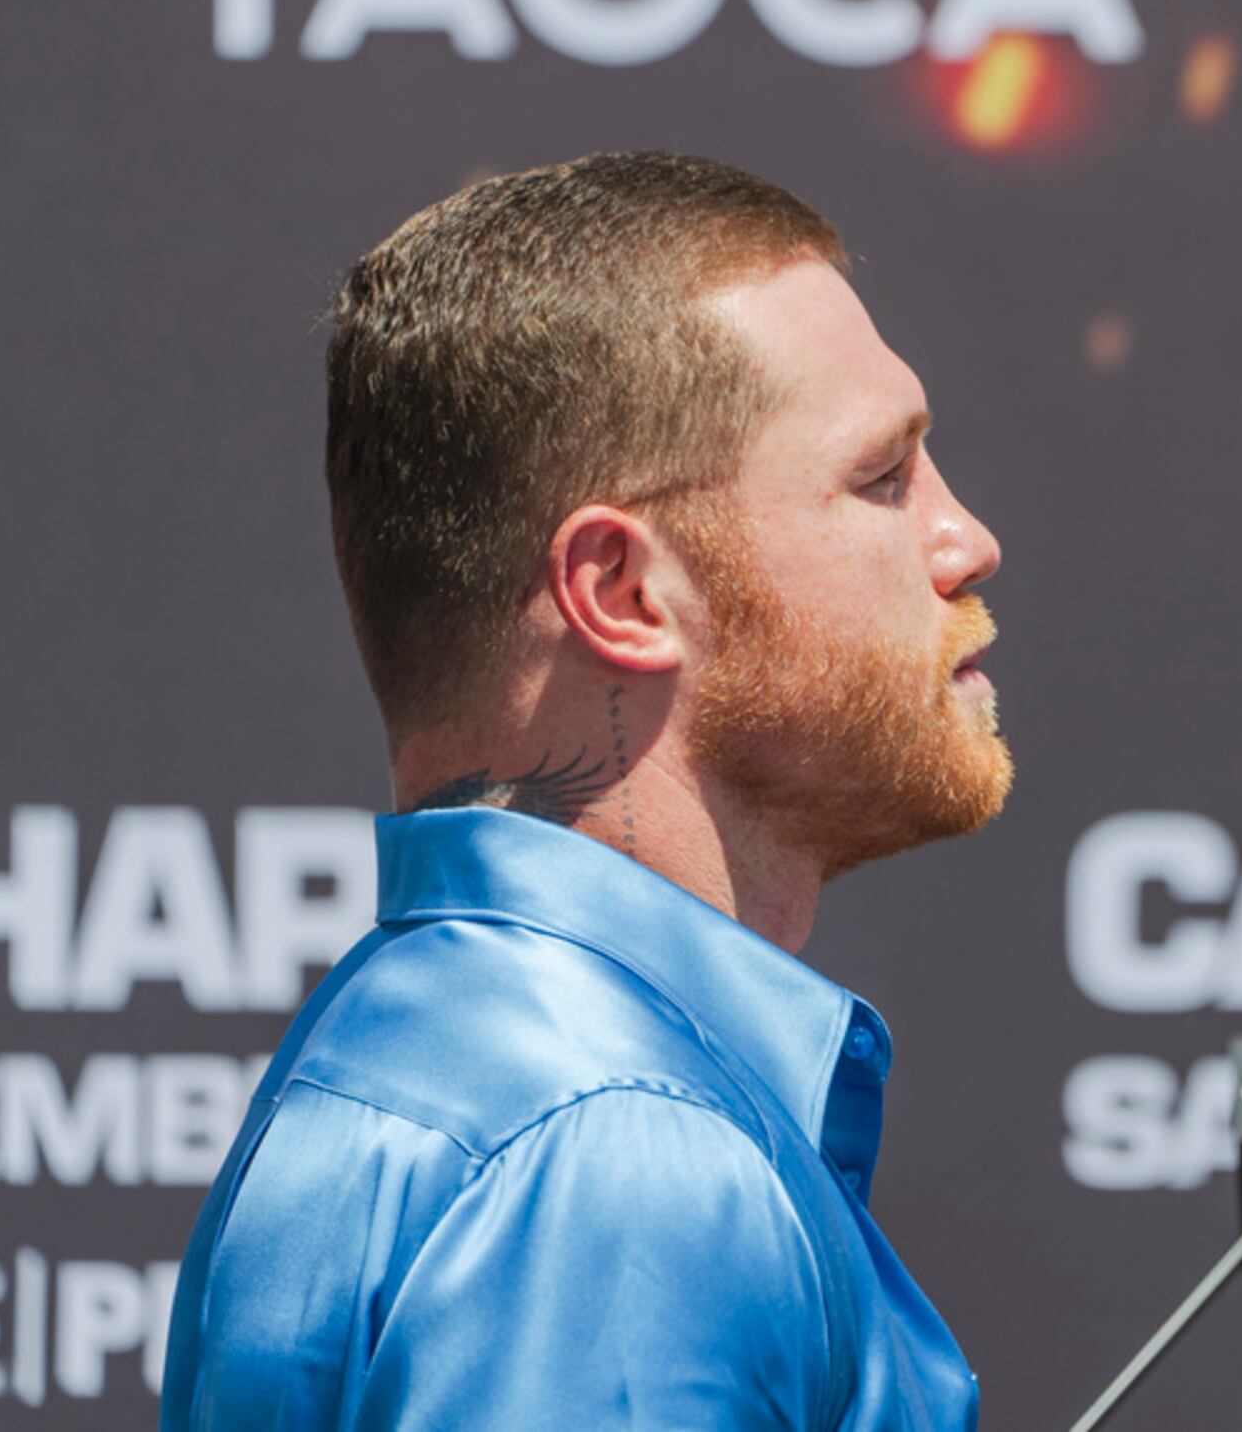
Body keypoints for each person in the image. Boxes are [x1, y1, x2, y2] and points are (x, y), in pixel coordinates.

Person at [161, 152, 1007, 1430]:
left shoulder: (421, 1043)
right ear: (622, 592)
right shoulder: (619, 1146)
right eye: (882, 478)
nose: (966, 542)